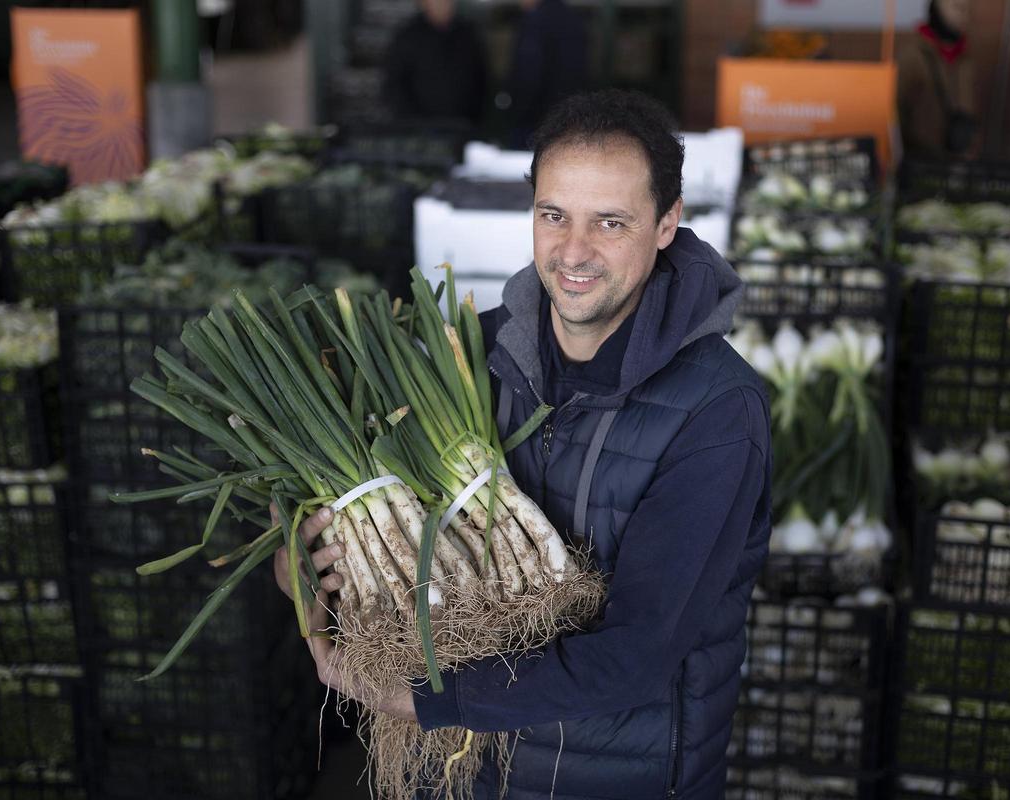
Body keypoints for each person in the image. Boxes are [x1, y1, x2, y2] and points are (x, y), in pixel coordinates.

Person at [274, 89, 772, 799]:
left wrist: (421, 700)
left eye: (610, 222)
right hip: (458, 769)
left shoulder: (719, 413)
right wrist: (305, 562)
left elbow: (637, 657)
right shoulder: (462, 354)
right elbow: (364, 518)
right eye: (553, 215)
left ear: (667, 224)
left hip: (616, 778)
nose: (574, 251)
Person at [383, 0, 487, 126]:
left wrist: (475, 119)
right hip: (419, 128)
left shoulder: (468, 34)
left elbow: (481, 80)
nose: (442, 4)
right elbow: (394, 84)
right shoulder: (408, 36)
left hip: (463, 126)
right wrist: (410, 120)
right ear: (424, 3)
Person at [897, 0, 977, 159]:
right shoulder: (912, 55)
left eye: (967, 9)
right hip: (919, 158)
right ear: (936, 8)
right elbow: (896, 111)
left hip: (956, 157)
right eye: (956, 6)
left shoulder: (966, 58)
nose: (963, 15)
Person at [506, 0, 588, 149]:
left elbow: (529, 76)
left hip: (536, 121)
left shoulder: (536, 21)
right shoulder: (572, 18)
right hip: (565, 116)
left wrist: (517, 113)